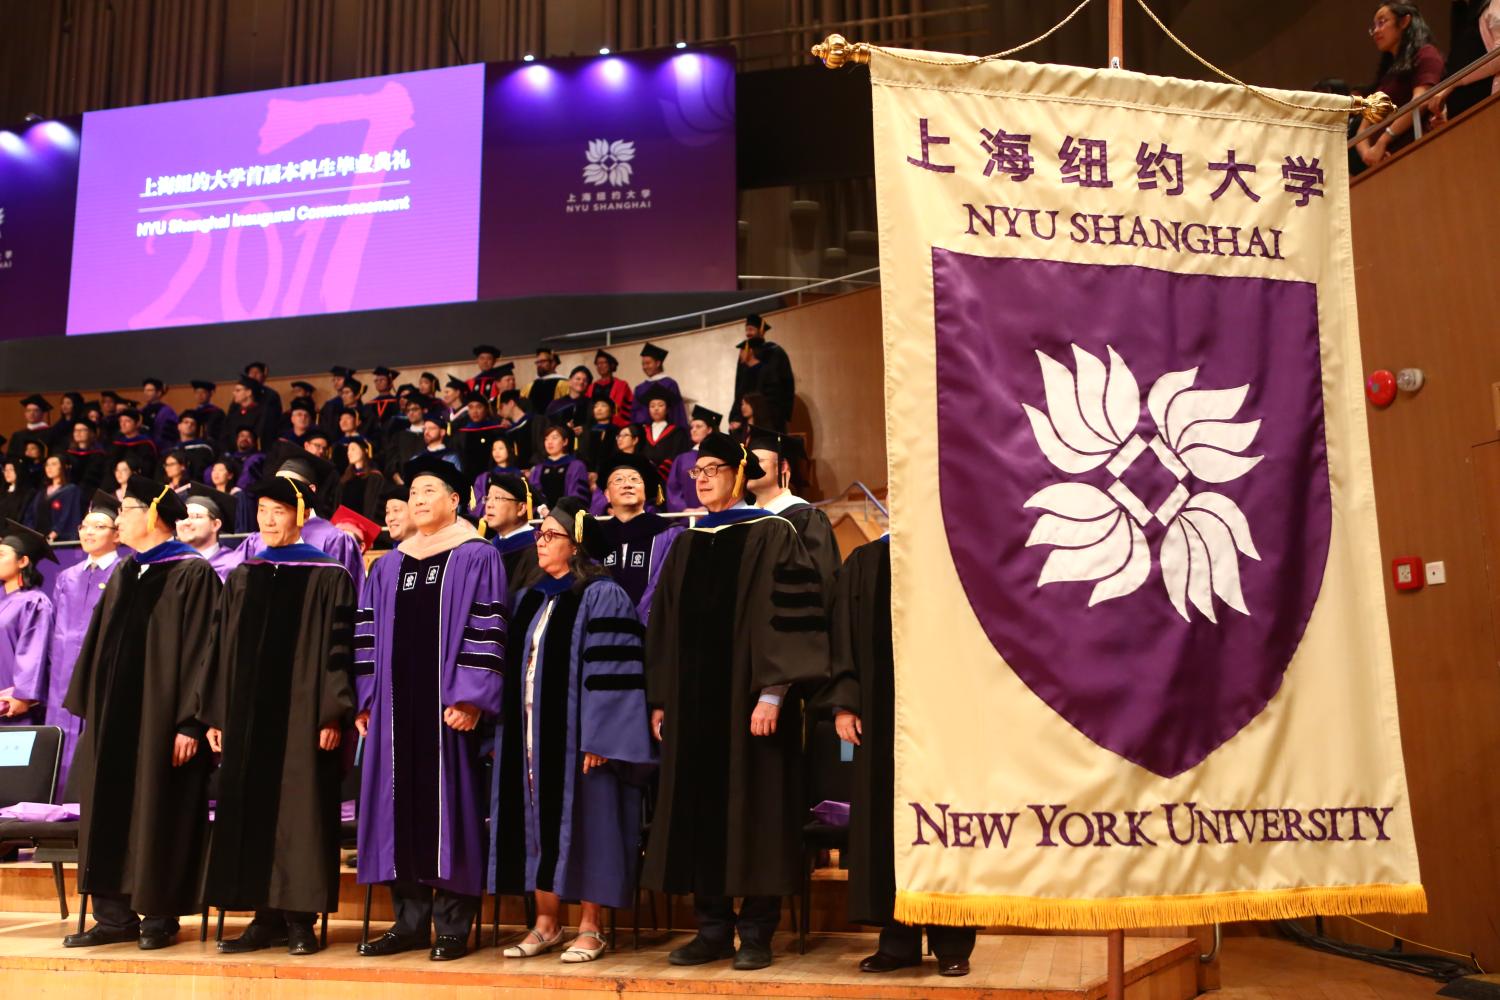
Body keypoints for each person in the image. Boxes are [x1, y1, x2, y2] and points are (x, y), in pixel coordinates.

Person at [642, 432, 830, 971]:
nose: (701, 478)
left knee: (758, 811)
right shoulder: (688, 542)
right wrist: (661, 701)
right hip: (694, 708)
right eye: (696, 471)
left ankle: (757, 933)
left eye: (713, 469)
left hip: (751, 707)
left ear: (739, 473)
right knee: (697, 809)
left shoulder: (774, 533)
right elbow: (664, 627)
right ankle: (711, 928)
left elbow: (792, 618)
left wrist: (774, 693)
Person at [353, 455, 507, 961]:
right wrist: (368, 696)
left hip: (448, 709)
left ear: (455, 499)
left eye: (428, 491)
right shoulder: (392, 563)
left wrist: (470, 695)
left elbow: (487, 628)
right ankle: (410, 921)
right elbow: (368, 633)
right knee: (396, 807)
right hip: (394, 712)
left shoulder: (476, 555)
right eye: (413, 492)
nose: (417, 500)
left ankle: (454, 924)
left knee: (452, 808)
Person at [490, 496, 654, 964]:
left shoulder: (603, 594)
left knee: (590, 826)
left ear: (577, 544)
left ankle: (591, 927)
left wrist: (601, 737)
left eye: (550, 535)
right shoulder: (529, 598)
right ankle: (545, 923)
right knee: (535, 827)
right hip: (527, 737)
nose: (540, 542)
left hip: (581, 742)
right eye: (539, 534)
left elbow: (615, 670)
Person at [197, 474, 356, 957]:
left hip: (302, 718)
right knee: (250, 809)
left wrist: (332, 714)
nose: (268, 519)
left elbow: (340, 650)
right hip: (246, 719)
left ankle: (300, 920)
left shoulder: (328, 575)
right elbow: (220, 649)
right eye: (263, 509)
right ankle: (262, 918)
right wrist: (217, 715)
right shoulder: (245, 574)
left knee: (300, 813)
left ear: (300, 515)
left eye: (279, 510)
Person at [62, 476, 220, 950]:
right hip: (115, 722)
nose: (118, 520)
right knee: (109, 811)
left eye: (127, 510)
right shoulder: (128, 573)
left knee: (160, 811)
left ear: (152, 515)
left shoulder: (192, 573)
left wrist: (192, 722)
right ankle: (114, 917)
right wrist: (95, 711)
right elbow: (98, 648)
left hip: (164, 722)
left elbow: (205, 652)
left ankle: (160, 916)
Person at [817, 535, 975, 977]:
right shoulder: (866, 560)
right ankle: (897, 940)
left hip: (948, 712)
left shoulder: (955, 550)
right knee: (886, 822)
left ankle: (952, 942)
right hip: (880, 715)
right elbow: (842, 632)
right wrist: (845, 702)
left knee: (944, 819)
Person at [48, 492, 123, 795]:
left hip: (100, 675)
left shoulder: (124, 572)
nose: (89, 532)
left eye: (99, 526)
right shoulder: (66, 577)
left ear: (118, 534)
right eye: (84, 526)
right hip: (62, 679)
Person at [746, 428, 841, 597]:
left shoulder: (806, 518)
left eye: (757, 461)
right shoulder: (744, 521)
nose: (749, 468)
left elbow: (823, 582)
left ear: (782, 467)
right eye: (748, 462)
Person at [593, 454, 682, 621]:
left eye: (635, 479)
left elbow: (664, 584)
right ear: (607, 495)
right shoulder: (596, 538)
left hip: (653, 629)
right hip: (604, 630)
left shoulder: (669, 533)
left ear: (645, 490)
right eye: (618, 480)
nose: (627, 484)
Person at [1357, 3, 1445, 165]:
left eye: (1382, 23)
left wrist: (1383, 141)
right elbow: (1362, 129)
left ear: (1404, 22)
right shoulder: (1387, 75)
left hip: (1418, 152)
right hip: (1388, 161)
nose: (1376, 31)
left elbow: (1420, 101)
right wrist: (1368, 154)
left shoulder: (1426, 54)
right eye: (1374, 27)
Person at [0, 520, 56, 727]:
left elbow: (34, 654)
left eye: (1, 555)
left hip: (11, 705)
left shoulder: (34, 602)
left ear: (23, 561)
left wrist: (22, 695)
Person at [484, 473, 545, 600]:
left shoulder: (538, 548)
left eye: (498, 498)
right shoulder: (486, 548)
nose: (489, 504)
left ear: (522, 508)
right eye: (488, 498)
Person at [730, 314, 795, 433]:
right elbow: (739, 390)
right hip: (748, 414)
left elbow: (786, 384)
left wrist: (783, 414)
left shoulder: (774, 352)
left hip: (770, 415)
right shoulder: (745, 354)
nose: (748, 333)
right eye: (747, 329)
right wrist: (736, 416)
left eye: (751, 329)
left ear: (761, 331)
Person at [177, 484, 241, 581]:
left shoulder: (233, 566)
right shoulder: (171, 564)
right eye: (182, 517)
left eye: (195, 516)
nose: (186, 522)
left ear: (215, 525)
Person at [528, 423, 590, 513]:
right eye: (546, 439)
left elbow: (579, 495)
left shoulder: (576, 466)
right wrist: (541, 509)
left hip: (569, 518)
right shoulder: (538, 469)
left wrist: (562, 512)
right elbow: (534, 495)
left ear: (565, 441)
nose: (549, 442)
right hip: (543, 519)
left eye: (554, 438)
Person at [631, 342, 689, 429]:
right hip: (644, 433)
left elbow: (677, 412)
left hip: (667, 433)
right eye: (643, 364)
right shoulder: (639, 388)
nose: (645, 367)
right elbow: (635, 414)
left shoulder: (670, 384)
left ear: (658, 363)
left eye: (648, 363)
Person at [640, 386, 691, 481]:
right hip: (644, 476)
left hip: (668, 477)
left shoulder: (677, 432)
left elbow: (678, 455)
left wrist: (661, 471)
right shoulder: (642, 430)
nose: (656, 409)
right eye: (652, 406)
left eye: (660, 405)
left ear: (667, 409)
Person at [30, 455, 83, 542]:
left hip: (58, 541)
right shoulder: (41, 492)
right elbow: (31, 514)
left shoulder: (71, 490)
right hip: (39, 539)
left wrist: (54, 534)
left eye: (54, 464)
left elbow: (68, 514)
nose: (49, 468)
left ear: (63, 466)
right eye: (47, 465)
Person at [456, 393, 506, 478]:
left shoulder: (496, 430)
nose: (475, 411)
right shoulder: (462, 433)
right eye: (471, 407)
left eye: (479, 407)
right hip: (469, 478)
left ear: (486, 409)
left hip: (493, 476)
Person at [224, 375, 276, 453]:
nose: (234, 393)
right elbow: (225, 436)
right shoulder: (234, 413)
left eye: (238, 390)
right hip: (233, 456)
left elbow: (264, 439)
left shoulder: (264, 412)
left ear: (248, 392)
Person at [340, 439, 387, 524]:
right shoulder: (345, 479)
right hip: (345, 526)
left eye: (353, 449)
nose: (349, 453)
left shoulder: (375, 477)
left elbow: (376, 506)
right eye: (348, 450)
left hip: (366, 526)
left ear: (365, 451)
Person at [472, 437, 521, 510]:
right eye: (494, 449)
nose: (496, 452)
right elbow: (477, 501)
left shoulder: (518, 474)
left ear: (510, 450)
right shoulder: (485, 477)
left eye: (500, 448)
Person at [64, 419, 109, 496]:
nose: (78, 433)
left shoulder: (100, 456)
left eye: (82, 430)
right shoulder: (67, 455)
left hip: (93, 494)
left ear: (91, 433)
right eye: (76, 430)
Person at [590, 350, 634, 427]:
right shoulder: (591, 387)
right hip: (594, 427)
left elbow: (628, 408)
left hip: (617, 426)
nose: (600, 366)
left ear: (611, 365)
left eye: (603, 363)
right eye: (598, 363)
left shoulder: (622, 385)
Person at [497, 390, 540, 469]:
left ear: (511, 403)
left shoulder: (536, 422)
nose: (499, 412)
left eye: (501, 407)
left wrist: (533, 469)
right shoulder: (508, 431)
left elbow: (541, 450)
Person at [547, 366, 595, 433]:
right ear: (569, 381)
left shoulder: (592, 405)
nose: (581, 382)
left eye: (585, 380)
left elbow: (597, 425)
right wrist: (563, 427)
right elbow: (547, 426)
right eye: (578, 379)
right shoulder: (556, 404)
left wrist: (585, 429)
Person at [7, 395, 52, 461]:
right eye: (28, 410)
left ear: (42, 413)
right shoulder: (17, 436)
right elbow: (11, 457)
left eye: (36, 411)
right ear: (25, 414)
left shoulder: (50, 433)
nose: (31, 413)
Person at [139, 379, 179, 451]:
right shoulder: (142, 411)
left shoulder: (167, 412)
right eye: (145, 390)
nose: (146, 393)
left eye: (150, 390)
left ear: (159, 393)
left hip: (160, 450)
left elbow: (168, 436)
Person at [526, 348, 568, 416]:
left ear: (553, 363)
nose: (539, 365)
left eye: (542, 361)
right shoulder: (529, 386)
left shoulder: (563, 384)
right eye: (537, 362)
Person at [174, 412, 216, 480]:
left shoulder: (203, 450)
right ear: (179, 426)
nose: (189, 425)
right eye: (186, 422)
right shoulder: (172, 450)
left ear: (196, 428)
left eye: (193, 423)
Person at [187, 380, 226, 446]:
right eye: (197, 392)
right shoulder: (193, 414)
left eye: (203, 392)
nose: (200, 395)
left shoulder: (217, 413)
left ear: (210, 394)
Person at [0, 459, 36, 526]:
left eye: (11, 469)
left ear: (19, 471)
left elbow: (20, 519)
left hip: (12, 532)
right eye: (5, 470)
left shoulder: (28, 493)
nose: (7, 473)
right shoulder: (3, 490)